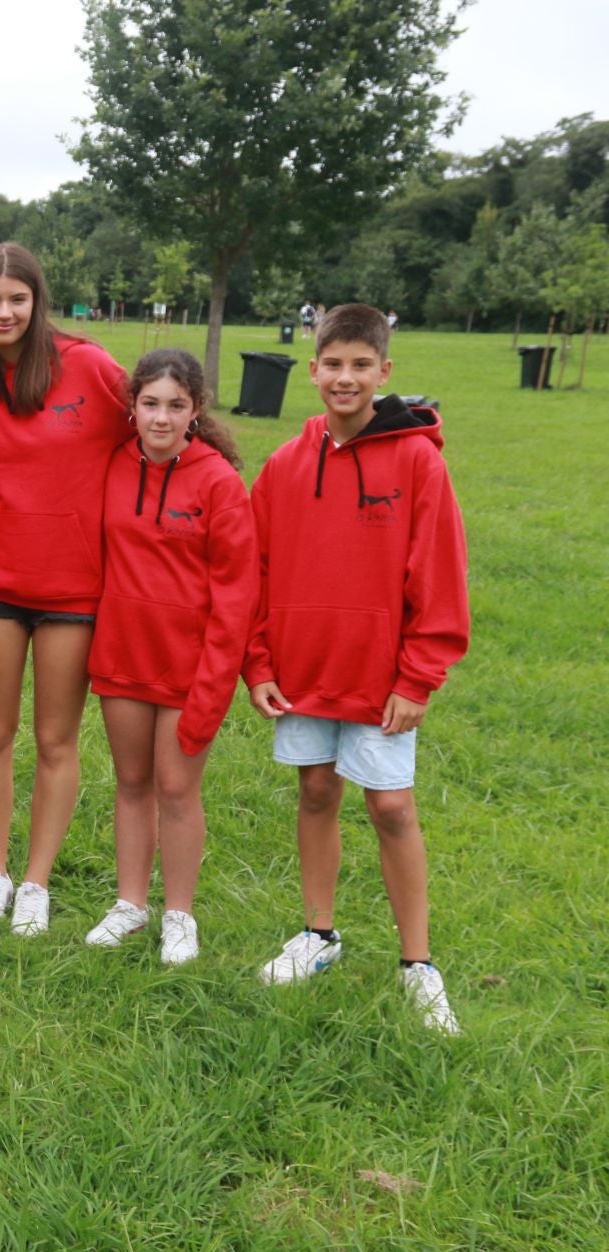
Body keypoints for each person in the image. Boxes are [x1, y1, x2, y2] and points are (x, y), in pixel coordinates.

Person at [244, 304, 469, 1033]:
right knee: (316, 792)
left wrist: (418, 676)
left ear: (384, 372)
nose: (345, 378)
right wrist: (258, 664)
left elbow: (438, 576)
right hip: (303, 669)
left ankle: (418, 964)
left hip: (380, 677)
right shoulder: (284, 465)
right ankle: (319, 934)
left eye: (360, 366)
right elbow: (256, 571)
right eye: (332, 364)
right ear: (311, 370)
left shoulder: (416, 461)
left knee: (391, 806)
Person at [0, 241, 131, 937]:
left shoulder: (88, 367)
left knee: (56, 740)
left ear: (38, 301)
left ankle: (36, 882)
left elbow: (159, 419)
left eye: (16, 299)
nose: (3, 312)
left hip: (74, 591)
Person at [85, 349, 257, 965]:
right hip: (122, 656)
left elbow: (237, 598)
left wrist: (216, 685)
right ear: (132, 408)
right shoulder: (110, 466)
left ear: (196, 411)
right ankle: (131, 903)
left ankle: (179, 914)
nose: (161, 418)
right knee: (132, 784)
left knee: (178, 790)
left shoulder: (219, 483)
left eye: (175, 406)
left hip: (190, 669)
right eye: (150, 404)